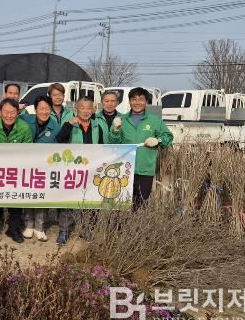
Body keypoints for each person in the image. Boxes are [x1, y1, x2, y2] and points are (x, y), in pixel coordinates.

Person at [55, 96, 110, 245]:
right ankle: (64, 230)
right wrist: (68, 125)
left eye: (88, 108)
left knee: (91, 199)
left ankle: (87, 228)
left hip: (92, 168)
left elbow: (104, 146)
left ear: (93, 109)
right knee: (68, 200)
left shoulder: (98, 125)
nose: (85, 111)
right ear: (76, 109)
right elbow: (59, 141)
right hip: (72, 169)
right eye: (82, 108)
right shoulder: (70, 123)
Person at [109, 87, 173, 210]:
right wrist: (115, 130)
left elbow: (168, 137)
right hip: (124, 169)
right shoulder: (122, 120)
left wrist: (158, 140)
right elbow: (113, 142)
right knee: (122, 204)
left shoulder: (154, 120)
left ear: (146, 102)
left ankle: (139, 223)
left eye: (141, 99)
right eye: (134, 99)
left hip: (145, 170)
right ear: (129, 102)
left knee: (140, 205)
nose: (137, 102)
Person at [0, 98, 33, 243]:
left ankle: (14, 229)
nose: (9, 115)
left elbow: (29, 149)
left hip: (15, 170)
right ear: (0, 112)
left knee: (16, 200)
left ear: (18, 113)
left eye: (12, 112)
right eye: (6, 112)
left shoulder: (24, 128)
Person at [20, 96, 60, 242]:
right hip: (27, 164)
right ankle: (28, 224)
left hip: (45, 166)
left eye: (47, 109)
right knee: (28, 193)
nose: (44, 112)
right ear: (35, 109)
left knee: (42, 195)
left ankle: (40, 227)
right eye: (41, 108)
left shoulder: (55, 127)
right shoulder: (25, 119)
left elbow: (58, 148)